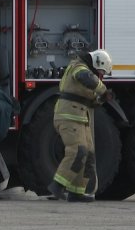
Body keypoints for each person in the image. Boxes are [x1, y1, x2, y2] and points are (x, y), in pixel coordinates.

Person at [47, 49, 113, 203]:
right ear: (97, 62)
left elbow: (90, 100)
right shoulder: (79, 67)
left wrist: (102, 99)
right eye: (100, 71)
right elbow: (85, 77)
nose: (99, 75)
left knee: (88, 154)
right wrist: (103, 90)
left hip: (79, 118)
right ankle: (57, 185)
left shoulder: (85, 72)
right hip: (69, 116)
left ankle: (76, 192)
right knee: (78, 151)